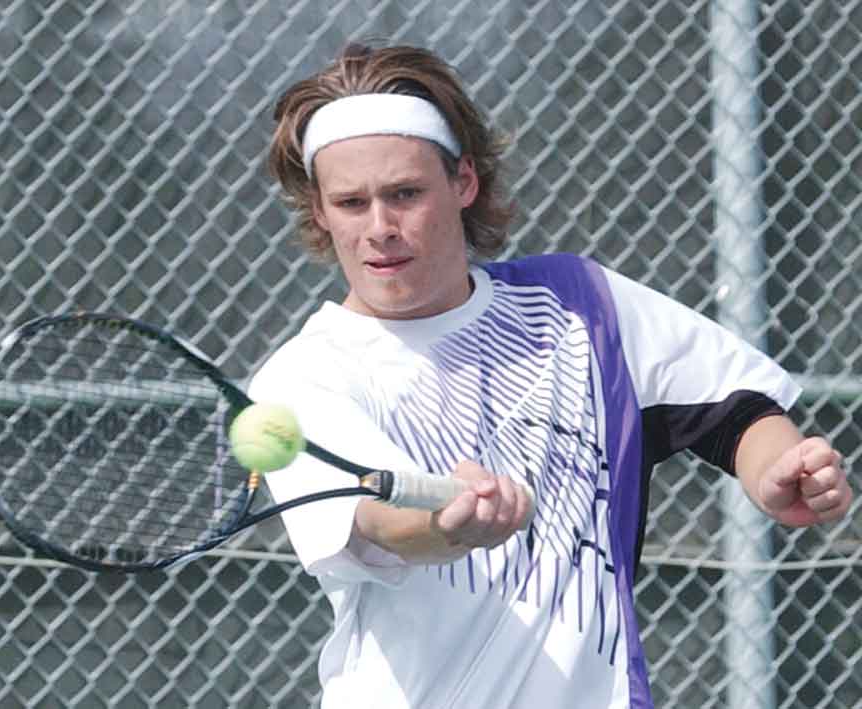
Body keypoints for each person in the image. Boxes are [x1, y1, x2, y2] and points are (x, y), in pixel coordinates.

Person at [248, 43, 852, 709]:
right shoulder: (304, 375)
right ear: (321, 211)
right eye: (351, 202)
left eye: (405, 193)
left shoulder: (580, 306)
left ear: (463, 182)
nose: (380, 228)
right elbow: (373, 522)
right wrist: (448, 530)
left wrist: (771, 466)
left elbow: (733, 410)